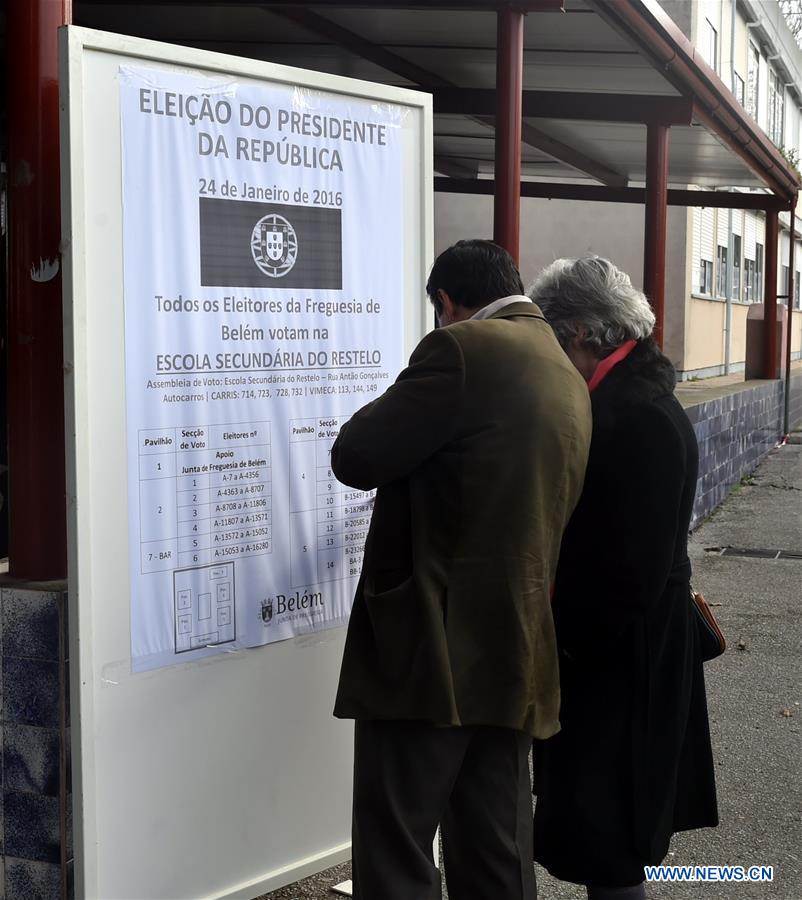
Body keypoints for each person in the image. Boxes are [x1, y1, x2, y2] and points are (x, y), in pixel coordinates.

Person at [331, 239, 592, 900]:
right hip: (517, 647)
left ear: (446, 302)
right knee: (495, 847)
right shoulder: (564, 367)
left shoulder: (461, 349)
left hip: (430, 648)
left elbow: (356, 455)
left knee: (397, 845)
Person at [527, 256, 718, 900]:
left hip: (622, 660)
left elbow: (631, 571)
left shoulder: (637, 417)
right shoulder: (631, 398)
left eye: (554, 341)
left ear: (580, 333)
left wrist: (568, 646)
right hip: (620, 649)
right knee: (604, 829)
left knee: (612, 835)